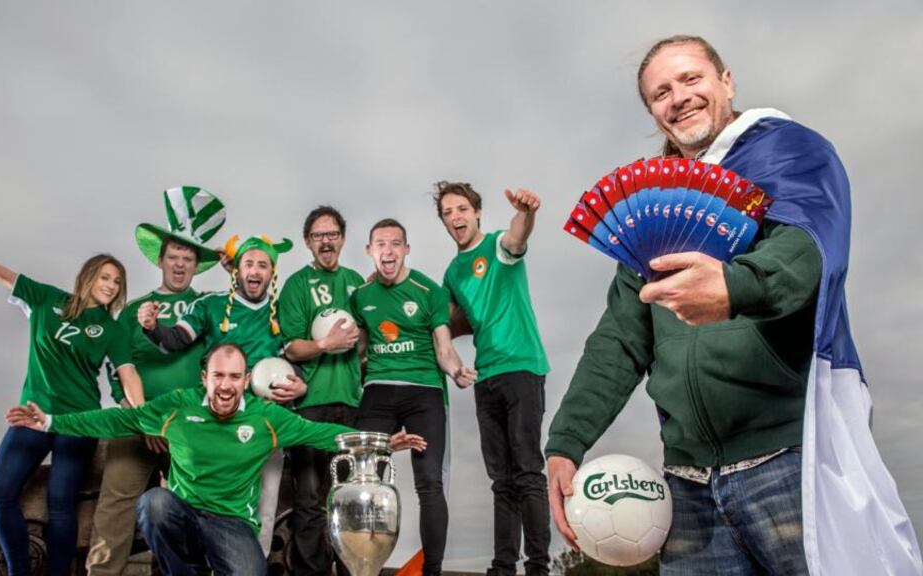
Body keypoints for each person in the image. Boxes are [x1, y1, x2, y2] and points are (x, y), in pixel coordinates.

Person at [545, 35, 921, 575]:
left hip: (786, 463)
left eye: (692, 79)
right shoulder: (652, 209)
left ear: (726, 81)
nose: (678, 97)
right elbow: (619, 340)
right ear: (654, 113)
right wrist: (566, 441)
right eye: (660, 93)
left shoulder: (788, 153)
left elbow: (807, 254)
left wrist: (734, 286)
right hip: (687, 485)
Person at [5, 342, 426, 576]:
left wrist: (380, 442)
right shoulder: (177, 407)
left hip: (231, 523)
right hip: (184, 514)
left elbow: (322, 433)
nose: (226, 386)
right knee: (153, 503)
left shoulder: (266, 418)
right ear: (205, 378)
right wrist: (49, 421)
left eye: (234, 378)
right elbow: (116, 420)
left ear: (246, 380)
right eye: (218, 376)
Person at [0, 236, 142, 576]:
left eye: (117, 281)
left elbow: (128, 374)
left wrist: (142, 414)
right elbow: (1, 274)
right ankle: (19, 571)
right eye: (105, 277)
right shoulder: (46, 299)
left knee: (61, 504)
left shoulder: (112, 330)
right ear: (88, 277)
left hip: (77, 422)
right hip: (32, 417)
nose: (111, 285)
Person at [86, 186, 227, 576]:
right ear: (160, 260)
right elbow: (118, 368)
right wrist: (144, 416)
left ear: (195, 266)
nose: (180, 265)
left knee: (194, 510)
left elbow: (221, 367)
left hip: (190, 427)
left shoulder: (207, 309)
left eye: (187, 259)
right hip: (137, 421)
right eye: (173, 257)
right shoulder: (133, 310)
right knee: (115, 502)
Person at [139, 234, 306, 554]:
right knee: (203, 504)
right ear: (236, 270)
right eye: (248, 263)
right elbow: (173, 339)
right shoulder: (210, 305)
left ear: (272, 273)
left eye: (262, 264)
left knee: (265, 507)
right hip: (215, 421)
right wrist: (152, 326)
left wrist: (300, 383)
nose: (255, 270)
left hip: (265, 422)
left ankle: (252, 565)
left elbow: (296, 359)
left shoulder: (282, 311)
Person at [433, 183, 552, 576]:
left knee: (527, 472)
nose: (456, 217)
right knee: (501, 480)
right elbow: (445, 324)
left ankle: (537, 566)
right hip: (486, 379)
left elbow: (518, 237)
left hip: (521, 367)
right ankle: (503, 566)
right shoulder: (452, 273)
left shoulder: (499, 245)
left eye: (462, 209)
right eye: (448, 212)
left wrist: (527, 212)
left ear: (478, 212)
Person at [350, 218, 476, 576]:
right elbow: (358, 349)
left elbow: (443, 347)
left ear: (406, 249)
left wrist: (456, 370)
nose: (387, 251)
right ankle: (363, 566)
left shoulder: (428, 291)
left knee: (430, 482)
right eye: (380, 244)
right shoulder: (360, 297)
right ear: (370, 251)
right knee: (365, 479)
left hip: (424, 393)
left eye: (395, 244)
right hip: (377, 391)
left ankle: (431, 571)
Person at [278, 206, 364, 575]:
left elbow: (365, 343)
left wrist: (357, 344)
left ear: (342, 238)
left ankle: (349, 569)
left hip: (352, 403)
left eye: (332, 234)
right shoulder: (297, 285)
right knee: (310, 498)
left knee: (348, 498)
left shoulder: (357, 281)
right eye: (318, 235)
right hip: (310, 406)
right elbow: (292, 347)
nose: (326, 241)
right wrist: (327, 344)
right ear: (308, 242)